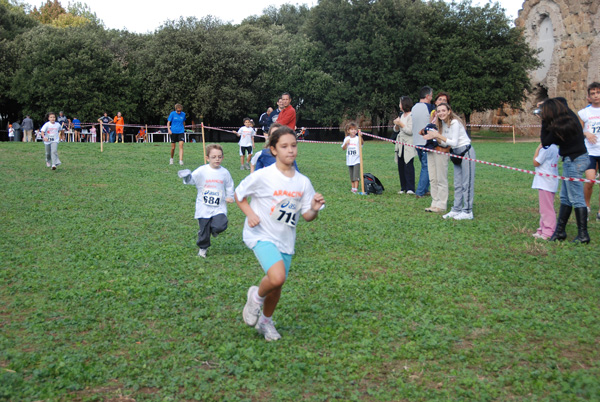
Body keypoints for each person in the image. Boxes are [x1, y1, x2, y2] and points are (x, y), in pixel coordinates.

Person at [236, 126, 325, 341]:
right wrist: (249, 214)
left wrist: (313, 208)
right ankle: (255, 299)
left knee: (277, 285)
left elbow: (307, 216)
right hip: (260, 234)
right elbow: (239, 195)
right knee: (277, 276)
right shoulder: (263, 175)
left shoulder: (302, 182)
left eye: (293, 145)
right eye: (284, 146)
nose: (290, 150)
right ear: (273, 150)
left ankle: (265, 321)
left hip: (285, 240)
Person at [541, 97, 590, 243]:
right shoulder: (569, 117)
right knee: (566, 197)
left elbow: (545, 142)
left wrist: (543, 121)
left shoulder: (560, 126)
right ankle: (560, 231)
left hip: (574, 160)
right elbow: (562, 99)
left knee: (576, 198)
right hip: (577, 158)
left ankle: (583, 235)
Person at [178, 144, 235, 258]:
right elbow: (191, 180)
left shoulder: (224, 172)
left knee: (220, 225)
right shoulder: (201, 170)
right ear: (207, 158)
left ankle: (213, 230)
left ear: (222, 158)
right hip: (203, 207)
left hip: (219, 206)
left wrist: (230, 196)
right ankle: (203, 249)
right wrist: (186, 176)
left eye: (219, 157)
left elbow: (229, 185)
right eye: (213, 157)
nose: (217, 159)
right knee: (204, 231)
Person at [424, 103, 475, 220]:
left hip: (465, 152)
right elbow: (446, 143)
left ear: (449, 111)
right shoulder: (443, 124)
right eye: (439, 111)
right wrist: (434, 137)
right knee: (457, 183)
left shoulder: (455, 123)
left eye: (443, 110)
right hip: (455, 154)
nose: (441, 113)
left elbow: (454, 142)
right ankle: (456, 209)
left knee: (466, 183)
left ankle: (467, 211)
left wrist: (438, 135)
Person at [425, 92, 452, 213]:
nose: (441, 101)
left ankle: (442, 204)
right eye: (439, 99)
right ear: (435, 102)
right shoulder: (433, 116)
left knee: (441, 178)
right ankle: (434, 202)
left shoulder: (448, 120)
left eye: (444, 100)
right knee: (433, 177)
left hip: (441, 149)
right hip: (431, 149)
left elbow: (447, 137)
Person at [578, 82, 600, 222]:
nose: (596, 95)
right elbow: (578, 131)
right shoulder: (583, 113)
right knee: (590, 180)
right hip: (590, 152)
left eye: (598, 92)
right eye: (593, 93)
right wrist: (586, 133)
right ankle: (586, 206)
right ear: (588, 97)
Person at [532, 142, 559, 240]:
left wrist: (537, 149)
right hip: (549, 181)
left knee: (547, 209)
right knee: (544, 208)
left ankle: (548, 231)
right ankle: (542, 229)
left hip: (545, 182)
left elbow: (536, 162)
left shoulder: (545, 148)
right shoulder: (554, 147)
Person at [411, 86, 434, 198]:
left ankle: (424, 189)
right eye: (431, 96)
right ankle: (420, 192)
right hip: (426, 141)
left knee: (424, 165)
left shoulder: (414, 107)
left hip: (416, 141)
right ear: (427, 96)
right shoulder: (429, 107)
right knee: (427, 167)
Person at [393, 96, 415, 195]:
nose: (399, 105)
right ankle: (403, 187)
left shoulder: (411, 116)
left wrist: (400, 124)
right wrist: (396, 125)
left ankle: (410, 188)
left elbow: (410, 131)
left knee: (408, 166)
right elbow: (396, 130)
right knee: (400, 165)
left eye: (400, 103)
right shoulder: (401, 115)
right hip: (400, 144)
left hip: (408, 144)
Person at [341, 121, 363, 193]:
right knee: (351, 176)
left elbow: (362, 144)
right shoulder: (347, 138)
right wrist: (346, 144)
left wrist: (361, 137)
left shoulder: (357, 138)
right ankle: (352, 187)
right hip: (349, 160)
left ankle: (356, 188)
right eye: (352, 129)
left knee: (356, 175)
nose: (353, 131)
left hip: (356, 160)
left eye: (355, 129)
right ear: (348, 131)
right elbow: (343, 148)